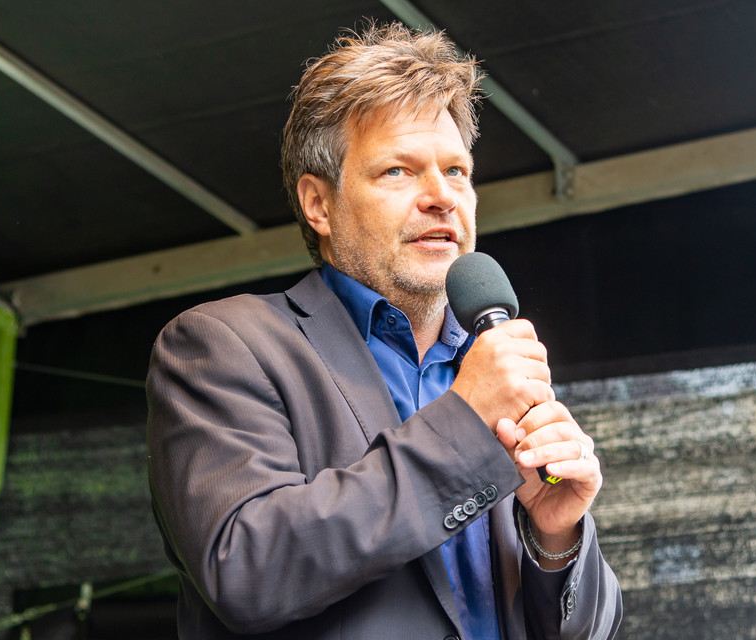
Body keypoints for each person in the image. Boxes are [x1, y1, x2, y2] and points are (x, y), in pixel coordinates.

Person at [147, 22, 621, 639]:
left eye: (457, 171)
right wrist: (463, 425)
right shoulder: (222, 344)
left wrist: (555, 538)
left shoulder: (491, 367)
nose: (442, 197)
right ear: (319, 204)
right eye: (399, 171)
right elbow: (246, 569)